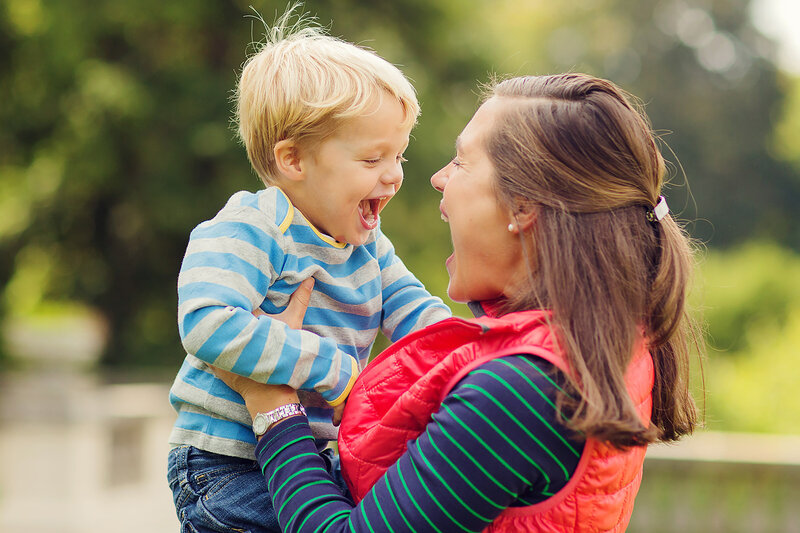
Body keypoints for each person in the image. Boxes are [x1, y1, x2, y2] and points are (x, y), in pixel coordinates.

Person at [212, 72, 701, 532]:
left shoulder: (522, 388)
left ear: (523, 207)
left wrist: (272, 402)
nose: (438, 179)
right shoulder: (609, 343)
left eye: (462, 161)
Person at [166, 9, 451, 533]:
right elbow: (207, 321)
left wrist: (475, 355)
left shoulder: (368, 246)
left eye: (400, 157)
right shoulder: (254, 227)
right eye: (372, 160)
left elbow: (420, 316)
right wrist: (336, 372)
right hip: (230, 465)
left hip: (304, 455)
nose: (393, 175)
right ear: (294, 160)